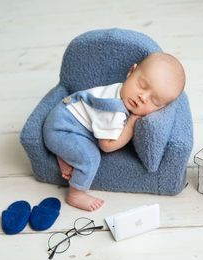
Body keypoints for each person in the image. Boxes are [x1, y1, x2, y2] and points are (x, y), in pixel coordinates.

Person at [43, 52, 186, 211]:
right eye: (142, 85)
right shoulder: (114, 110)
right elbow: (107, 145)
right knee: (90, 157)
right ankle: (76, 194)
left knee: (84, 145)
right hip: (61, 129)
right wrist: (131, 123)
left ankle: (65, 154)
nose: (142, 97)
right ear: (131, 72)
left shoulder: (122, 90)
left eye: (154, 101)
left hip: (66, 118)